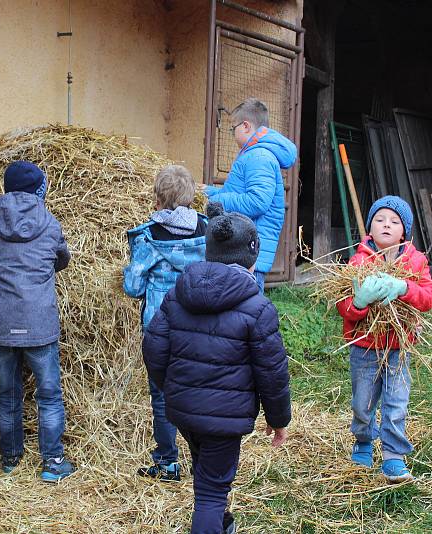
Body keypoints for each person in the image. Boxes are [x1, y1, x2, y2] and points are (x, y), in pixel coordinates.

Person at [143, 205, 291, 534]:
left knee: (206, 472)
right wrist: (278, 419)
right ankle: (214, 519)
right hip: (224, 418)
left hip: (183, 408)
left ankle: (222, 522)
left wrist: (170, 387)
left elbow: (153, 347)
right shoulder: (258, 307)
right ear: (252, 258)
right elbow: (272, 371)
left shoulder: (177, 294)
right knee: (211, 491)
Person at [336, 195, 432, 482]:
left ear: (404, 231)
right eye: (380, 220)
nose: (386, 225)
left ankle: (393, 456)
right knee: (363, 403)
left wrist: (404, 286)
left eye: (394, 221)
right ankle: (363, 442)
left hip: (399, 347)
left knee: (396, 404)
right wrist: (358, 302)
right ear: (370, 228)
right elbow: (342, 306)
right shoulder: (358, 262)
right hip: (365, 348)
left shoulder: (415, 262)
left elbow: (430, 296)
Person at [0, 160, 74, 482]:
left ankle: (10, 457)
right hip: (38, 321)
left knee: (8, 394)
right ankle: (53, 462)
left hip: (3, 321)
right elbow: (61, 259)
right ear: (40, 189)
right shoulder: (49, 224)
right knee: (48, 395)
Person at [123, 164, 207, 482]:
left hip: (161, 329)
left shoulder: (148, 237)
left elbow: (132, 286)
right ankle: (202, 458)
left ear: (157, 199)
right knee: (197, 390)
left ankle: (168, 461)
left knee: (161, 396)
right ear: (190, 197)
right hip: (200, 324)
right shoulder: (206, 230)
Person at [204, 97, 297, 292]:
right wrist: (207, 192)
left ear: (245, 126)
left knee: (246, 309)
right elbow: (237, 194)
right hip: (244, 248)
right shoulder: (253, 154)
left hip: (248, 252)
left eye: (233, 128)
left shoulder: (258, 157)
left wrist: (216, 200)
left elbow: (257, 202)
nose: (232, 133)